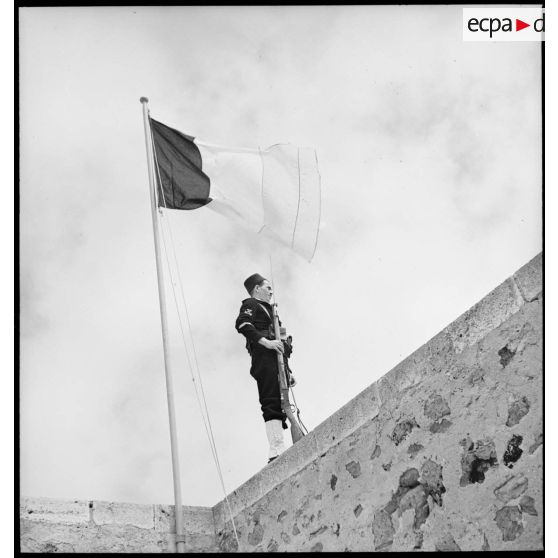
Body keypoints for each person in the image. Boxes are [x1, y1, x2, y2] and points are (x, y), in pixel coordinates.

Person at [235, 273, 294, 463]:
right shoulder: (251, 305)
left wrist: (288, 370)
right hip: (264, 359)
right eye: (267, 287)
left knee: (279, 402)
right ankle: (276, 448)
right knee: (270, 401)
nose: (271, 291)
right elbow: (243, 324)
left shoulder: (271, 312)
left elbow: (281, 341)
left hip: (277, 362)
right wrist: (266, 343)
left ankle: (281, 443)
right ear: (256, 289)